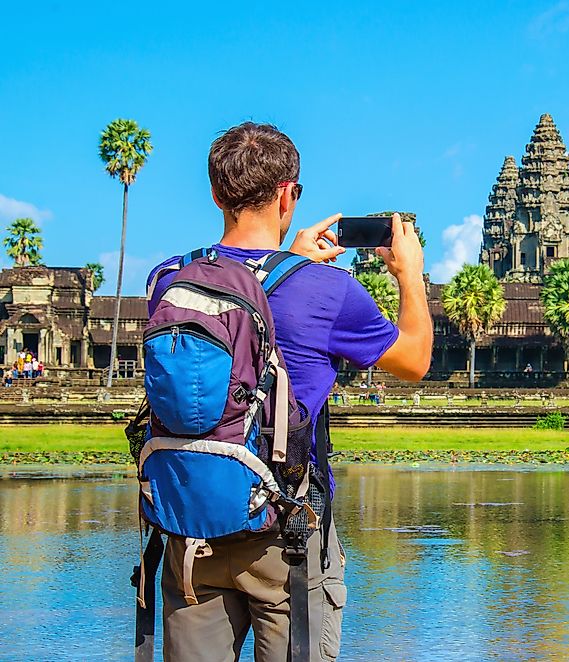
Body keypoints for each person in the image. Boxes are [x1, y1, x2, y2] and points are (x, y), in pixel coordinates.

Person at [146, 122, 432, 661]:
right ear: (287, 194)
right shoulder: (328, 289)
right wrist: (409, 273)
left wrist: (285, 259)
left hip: (188, 527)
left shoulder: (170, 279)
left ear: (215, 193)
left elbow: (245, 282)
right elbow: (415, 360)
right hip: (287, 534)